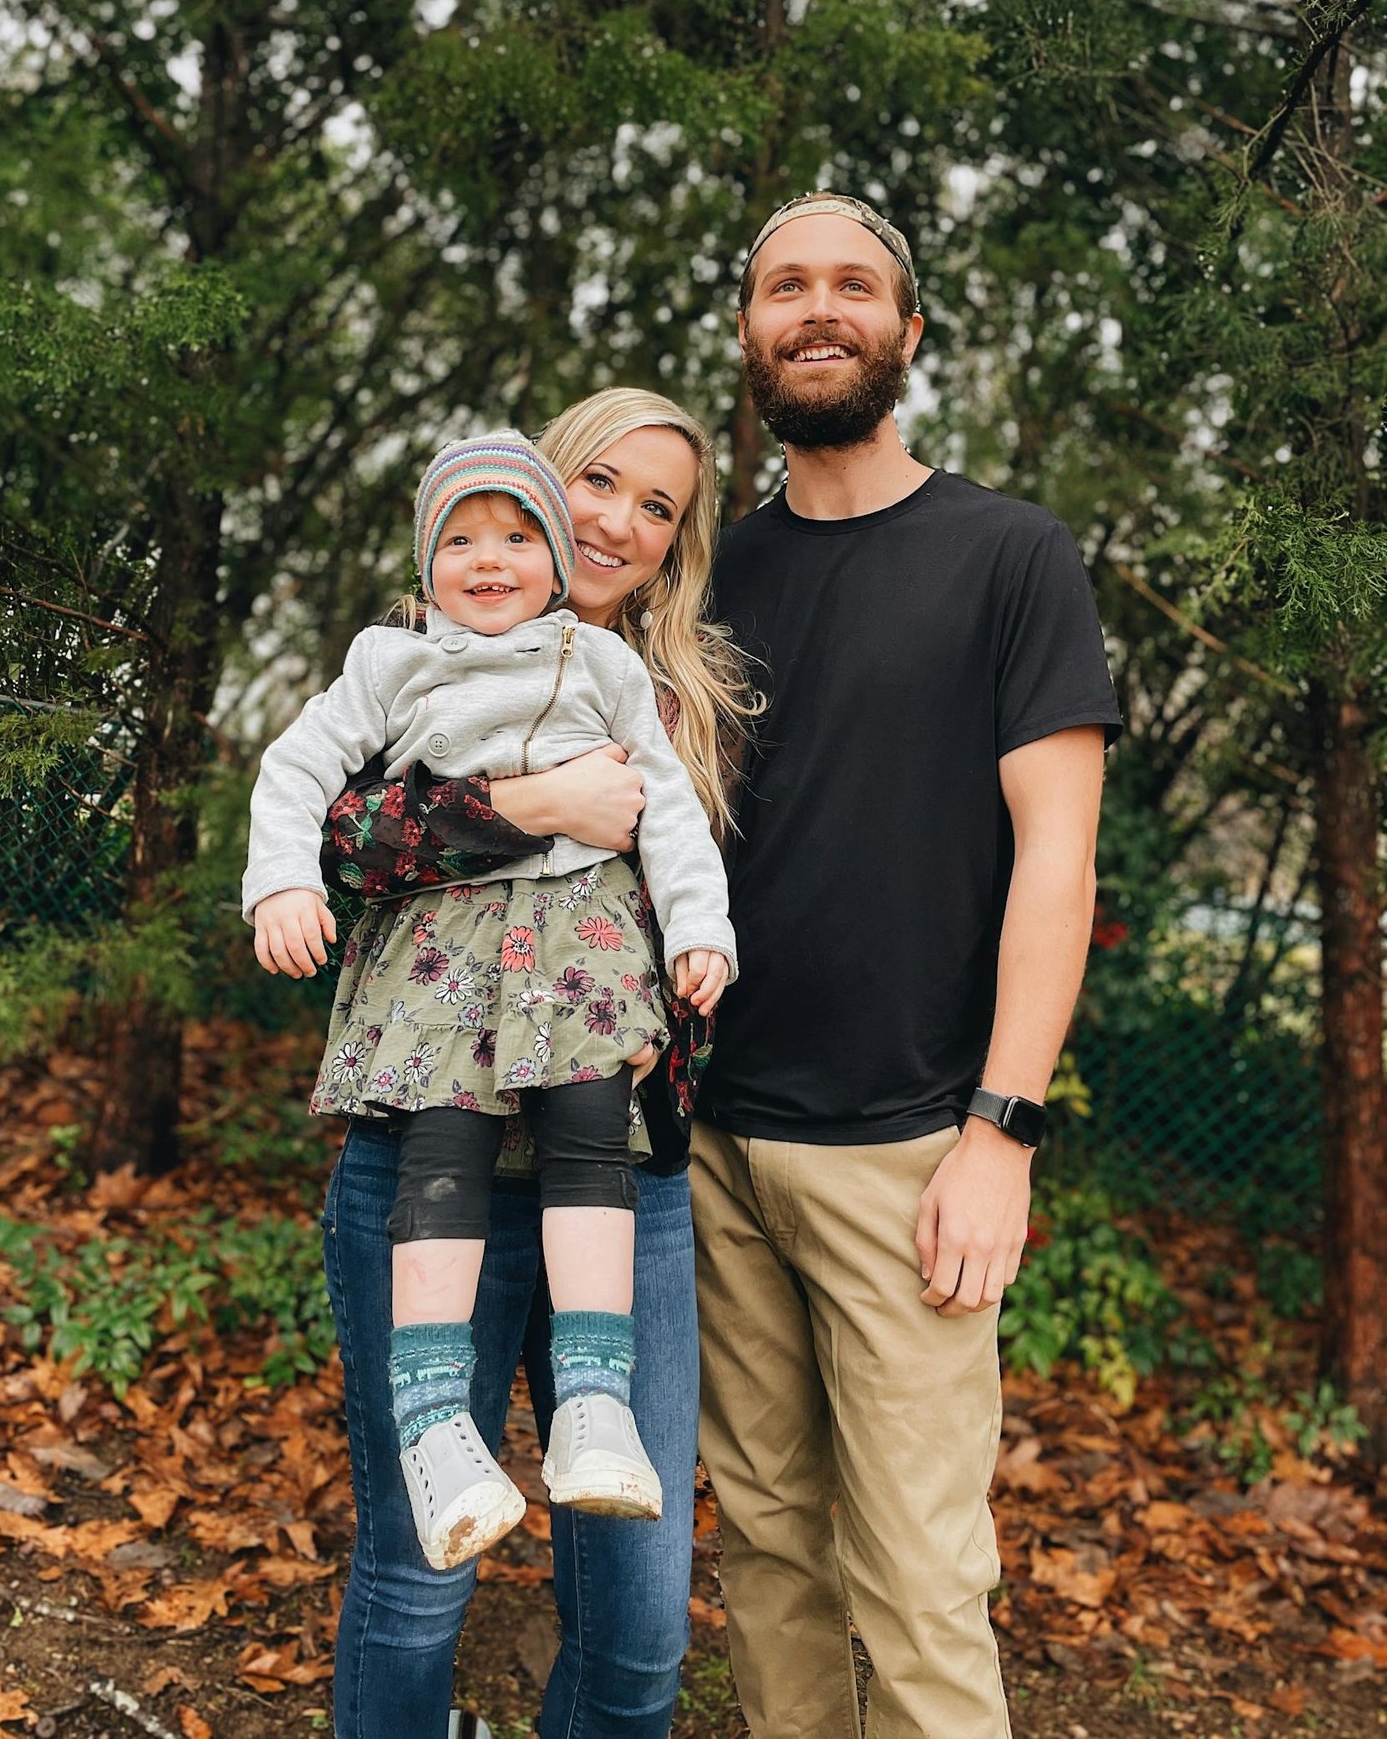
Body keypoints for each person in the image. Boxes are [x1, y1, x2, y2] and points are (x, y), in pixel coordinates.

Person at [692, 192, 1122, 1739]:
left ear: (907, 331)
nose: (819, 307)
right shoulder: (713, 577)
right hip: (717, 1146)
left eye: (853, 285)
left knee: (925, 1586)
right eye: (784, 285)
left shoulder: (1009, 555)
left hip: (914, 1150)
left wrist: (1002, 1130)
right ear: (749, 333)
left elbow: (1056, 861)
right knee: (769, 1558)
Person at [267, 391, 759, 1738]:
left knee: (645, 1627)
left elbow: (689, 901)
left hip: (623, 1179)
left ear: (674, 543)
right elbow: (336, 838)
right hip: (435, 1167)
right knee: (420, 1580)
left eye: (656, 505)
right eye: (597, 479)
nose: (618, 518)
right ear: (541, 491)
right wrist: (527, 808)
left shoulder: (674, 702)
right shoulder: (422, 646)